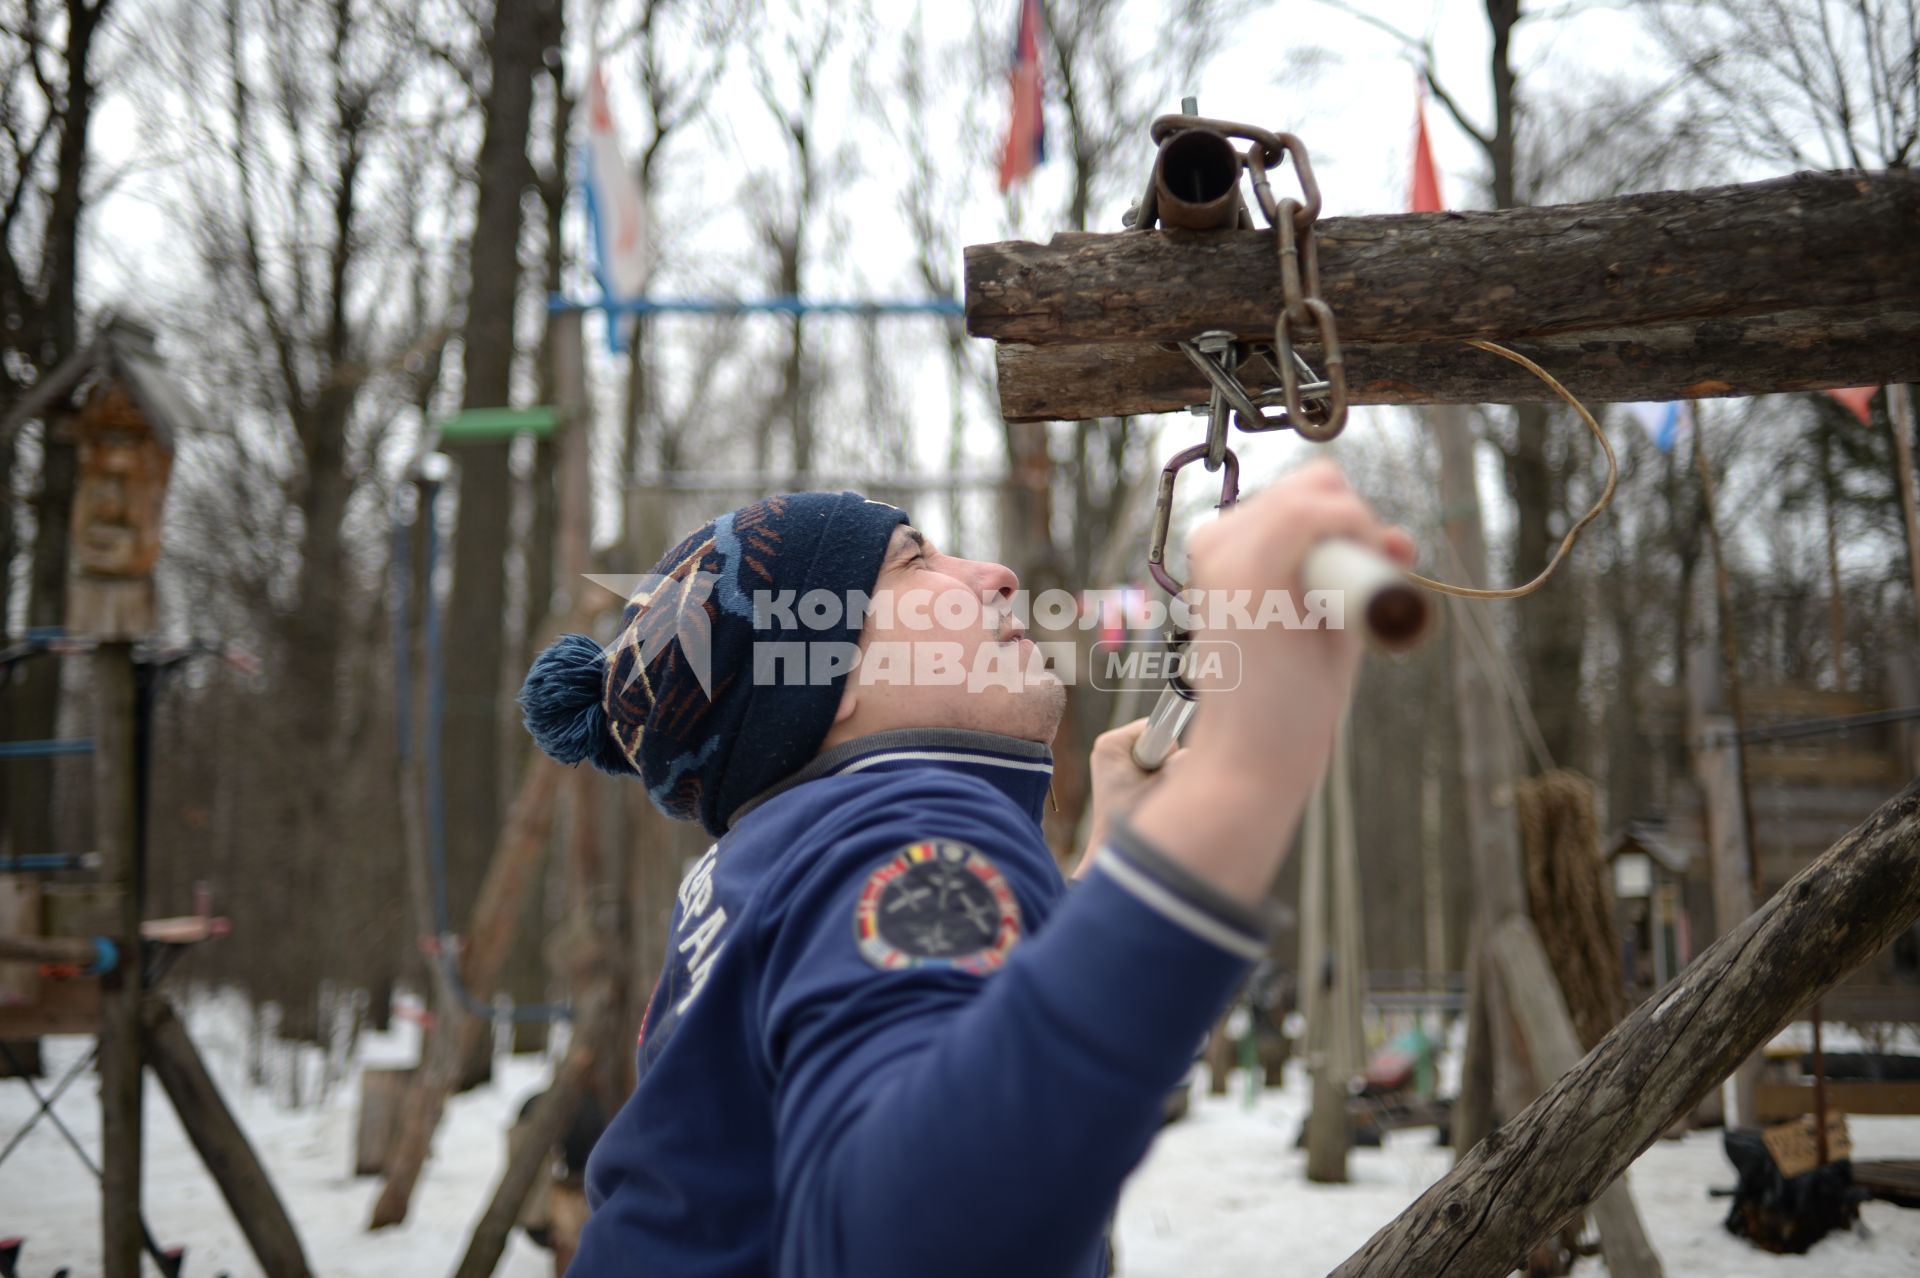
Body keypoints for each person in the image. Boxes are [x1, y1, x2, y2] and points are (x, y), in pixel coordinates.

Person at [519, 464, 1412, 1277]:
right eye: (915, 564)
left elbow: (949, 1067)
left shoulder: (787, 853)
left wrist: (1097, 891)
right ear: (829, 681)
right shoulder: (896, 830)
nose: (995, 574)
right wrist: (1241, 780)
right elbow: (922, 1242)